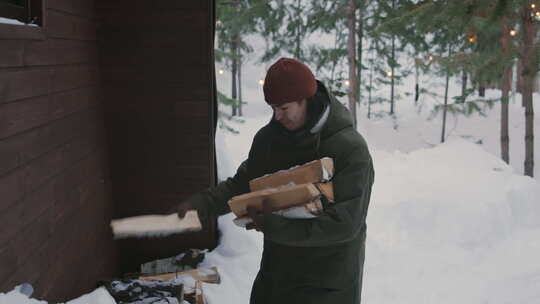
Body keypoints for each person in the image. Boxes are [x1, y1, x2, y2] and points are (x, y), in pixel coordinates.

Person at [177, 57, 374, 304]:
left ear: (306, 100)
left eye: (284, 108)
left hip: (328, 283)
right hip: (277, 278)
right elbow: (242, 186)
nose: (277, 116)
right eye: (273, 109)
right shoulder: (269, 141)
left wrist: (273, 226)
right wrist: (201, 205)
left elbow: (344, 224)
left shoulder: (349, 149)